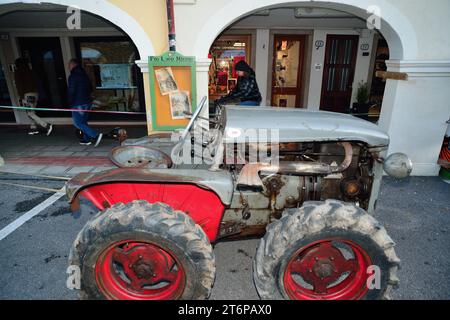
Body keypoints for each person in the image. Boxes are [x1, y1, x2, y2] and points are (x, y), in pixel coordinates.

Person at [14, 58, 53, 136]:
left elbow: (19, 85)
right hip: (35, 94)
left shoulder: (18, 72)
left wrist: (21, 97)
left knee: (30, 113)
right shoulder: (31, 71)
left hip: (26, 95)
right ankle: (33, 128)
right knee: (32, 112)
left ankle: (46, 125)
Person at [68, 58, 102, 147]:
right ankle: (86, 140)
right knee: (83, 122)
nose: (68, 67)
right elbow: (90, 88)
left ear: (73, 65)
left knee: (78, 123)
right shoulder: (84, 75)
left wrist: (70, 102)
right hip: (87, 102)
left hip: (78, 103)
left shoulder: (73, 76)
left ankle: (95, 135)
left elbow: (71, 91)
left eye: (69, 65)